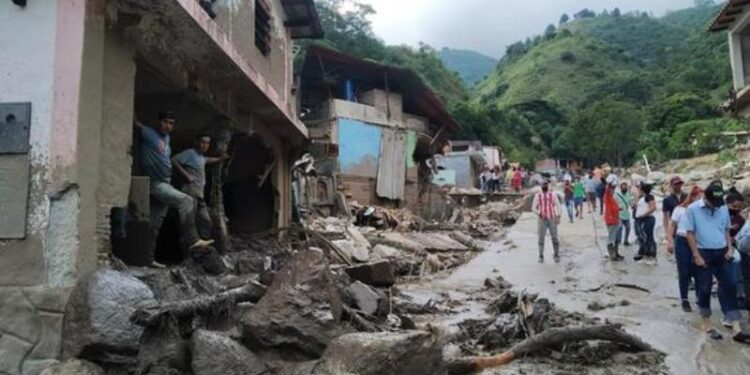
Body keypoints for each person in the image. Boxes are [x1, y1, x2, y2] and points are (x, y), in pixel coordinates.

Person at [134, 111, 213, 268]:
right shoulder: (149, 133)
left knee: (153, 226)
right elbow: (135, 123)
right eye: (165, 122)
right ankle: (193, 240)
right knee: (186, 201)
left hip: (165, 183)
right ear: (158, 122)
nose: (168, 126)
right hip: (156, 183)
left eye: (171, 123)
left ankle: (147, 259)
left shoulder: (167, 138)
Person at [685, 182, 750, 344]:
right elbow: (689, 233)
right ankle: (706, 324)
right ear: (705, 197)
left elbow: (726, 229)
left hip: (722, 252)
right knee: (704, 288)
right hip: (703, 252)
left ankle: (736, 327)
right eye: (714, 203)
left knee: (730, 284)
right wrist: (696, 255)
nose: (717, 206)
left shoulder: (722, 208)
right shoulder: (693, 209)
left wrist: (729, 248)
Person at [172, 134, 229, 240]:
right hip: (190, 193)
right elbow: (174, 160)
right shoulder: (190, 153)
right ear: (196, 142)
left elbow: (207, 160)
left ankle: (202, 247)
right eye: (203, 142)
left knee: (206, 221)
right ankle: (188, 252)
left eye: (207, 143)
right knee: (188, 224)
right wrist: (186, 175)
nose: (205, 145)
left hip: (199, 195)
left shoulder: (200, 157)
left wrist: (219, 159)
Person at [666, 186, 703, 312]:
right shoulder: (680, 210)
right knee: (684, 271)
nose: (701, 200)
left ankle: (700, 297)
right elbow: (672, 226)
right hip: (682, 240)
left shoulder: (702, 211)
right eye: (699, 197)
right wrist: (670, 241)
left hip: (698, 241)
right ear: (692, 196)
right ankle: (684, 299)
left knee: (699, 270)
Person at [533, 180, 563, 263]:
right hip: (542, 219)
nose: (544, 186)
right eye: (543, 185)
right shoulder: (537, 196)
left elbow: (558, 205)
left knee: (555, 237)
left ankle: (556, 255)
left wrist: (558, 216)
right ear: (541, 186)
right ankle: (541, 256)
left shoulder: (553, 195)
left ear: (548, 186)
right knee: (541, 238)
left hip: (552, 218)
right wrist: (539, 213)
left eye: (545, 185)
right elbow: (533, 208)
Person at [634, 183, 657, 263]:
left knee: (649, 237)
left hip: (647, 219)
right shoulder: (643, 197)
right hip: (642, 219)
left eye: (639, 188)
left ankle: (652, 257)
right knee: (643, 237)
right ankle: (646, 255)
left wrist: (643, 215)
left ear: (642, 190)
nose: (638, 189)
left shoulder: (649, 197)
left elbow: (653, 207)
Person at [603, 175, 624, 261]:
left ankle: (616, 254)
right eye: (613, 189)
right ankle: (613, 256)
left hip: (615, 219)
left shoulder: (612, 198)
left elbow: (613, 207)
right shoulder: (607, 196)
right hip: (611, 220)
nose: (613, 190)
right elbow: (608, 189)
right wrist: (610, 183)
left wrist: (618, 209)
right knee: (611, 238)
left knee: (616, 238)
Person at [663, 176, 687, 241]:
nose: (678, 185)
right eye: (676, 184)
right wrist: (666, 232)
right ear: (671, 185)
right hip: (674, 227)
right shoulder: (667, 199)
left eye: (680, 183)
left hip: (687, 225)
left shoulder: (687, 196)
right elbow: (665, 217)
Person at [615, 182, 633, 246]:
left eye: (625, 187)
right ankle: (618, 240)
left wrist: (634, 206)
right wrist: (617, 208)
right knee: (619, 227)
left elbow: (631, 204)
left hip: (626, 215)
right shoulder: (616, 195)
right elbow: (613, 204)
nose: (624, 188)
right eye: (623, 187)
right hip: (619, 214)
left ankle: (626, 241)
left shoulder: (628, 195)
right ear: (620, 188)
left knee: (628, 228)